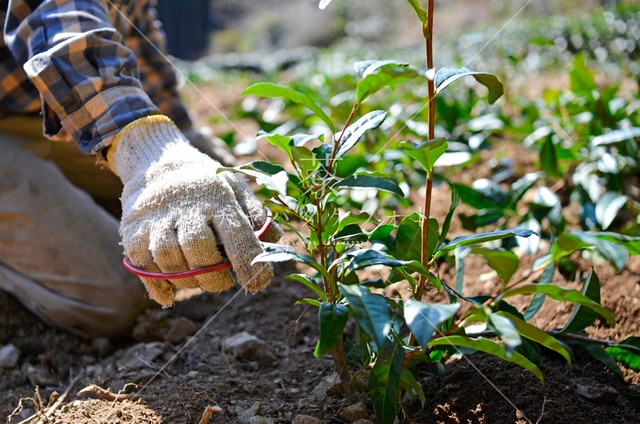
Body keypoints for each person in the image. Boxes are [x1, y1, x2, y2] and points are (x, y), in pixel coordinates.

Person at [0, 0, 281, 338]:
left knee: (160, 214)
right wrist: (149, 149)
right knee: (117, 296)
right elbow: (65, 30)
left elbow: (138, 46)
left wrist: (182, 136)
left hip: (31, 119)